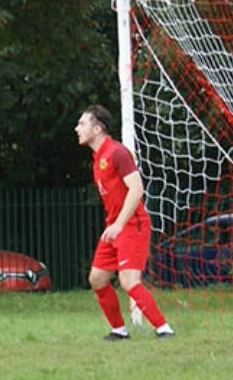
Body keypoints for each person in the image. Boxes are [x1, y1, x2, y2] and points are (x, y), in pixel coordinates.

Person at [75, 104, 175, 341]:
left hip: (132, 225)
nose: (77, 128)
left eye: (82, 123)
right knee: (97, 278)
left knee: (129, 281)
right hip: (115, 226)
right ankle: (119, 330)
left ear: (98, 128)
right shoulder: (97, 158)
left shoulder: (117, 152)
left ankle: (164, 329)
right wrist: (115, 225)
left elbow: (137, 189)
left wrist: (119, 224)